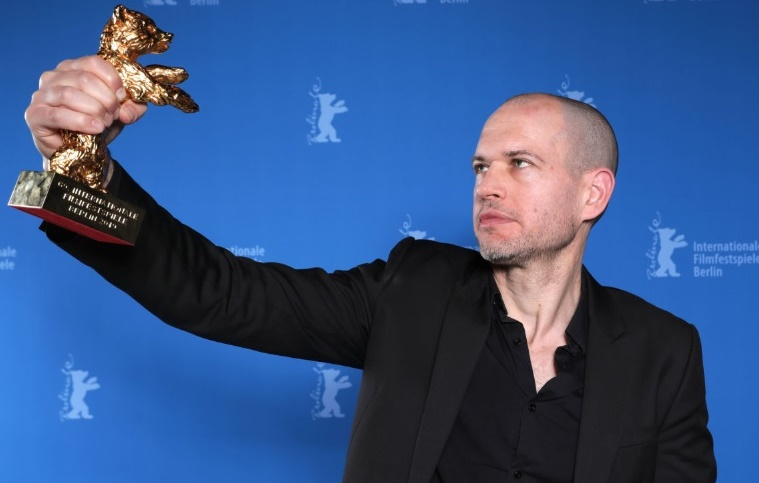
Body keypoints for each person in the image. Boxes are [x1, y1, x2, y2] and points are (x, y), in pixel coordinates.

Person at [26, 56, 717, 483]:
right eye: (481, 166)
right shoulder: (410, 290)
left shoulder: (665, 350)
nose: (487, 185)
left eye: (520, 164)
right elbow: (216, 292)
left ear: (592, 194)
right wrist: (83, 170)